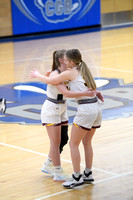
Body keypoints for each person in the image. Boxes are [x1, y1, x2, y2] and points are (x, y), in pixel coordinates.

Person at [29, 49, 103, 186]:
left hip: (75, 108)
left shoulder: (69, 72)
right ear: (61, 60)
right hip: (84, 107)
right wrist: (39, 75)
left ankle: (72, 175)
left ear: (69, 61)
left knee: (68, 142)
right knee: (66, 142)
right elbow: (64, 89)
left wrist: (39, 75)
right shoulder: (77, 69)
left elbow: (71, 88)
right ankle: (63, 170)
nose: (66, 60)